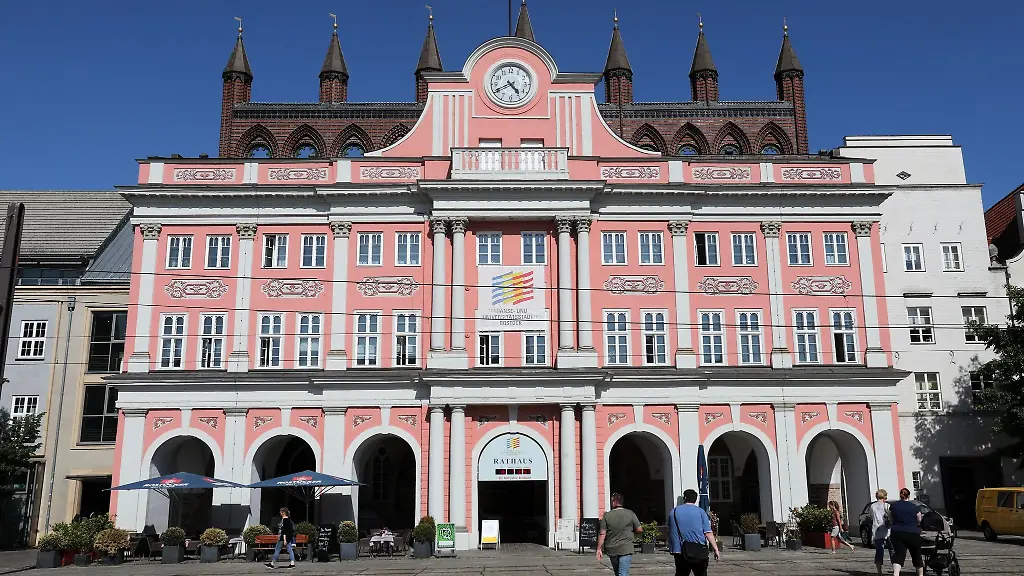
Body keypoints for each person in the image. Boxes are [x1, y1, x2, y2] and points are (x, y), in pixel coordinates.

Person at [668, 489, 721, 576]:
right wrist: (716, 549)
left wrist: (672, 546)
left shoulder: (673, 512)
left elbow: (670, 531)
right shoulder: (701, 512)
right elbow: (708, 532)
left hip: (680, 551)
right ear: (695, 499)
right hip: (699, 549)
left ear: (684, 498)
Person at [596, 493, 643, 576]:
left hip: (612, 548)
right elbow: (639, 529)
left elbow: (602, 533)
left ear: (614, 502)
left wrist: (599, 549)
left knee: (618, 573)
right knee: (623, 573)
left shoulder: (607, 516)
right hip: (626, 548)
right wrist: (631, 533)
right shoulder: (630, 513)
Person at [889, 488, 924, 576]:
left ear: (900, 495)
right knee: (916, 555)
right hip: (913, 533)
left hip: (897, 533)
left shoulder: (893, 506)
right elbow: (919, 520)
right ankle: (920, 575)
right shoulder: (914, 507)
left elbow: (890, 518)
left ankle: (896, 574)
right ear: (908, 496)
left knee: (899, 554)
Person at [870, 489, 891, 576]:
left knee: (879, 551)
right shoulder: (887, 505)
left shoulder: (872, 506)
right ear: (885, 496)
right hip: (887, 530)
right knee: (892, 550)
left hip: (877, 530)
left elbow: (872, 518)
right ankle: (896, 570)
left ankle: (879, 571)